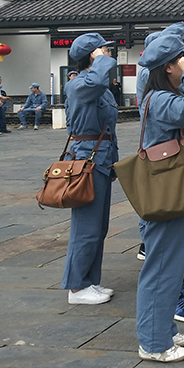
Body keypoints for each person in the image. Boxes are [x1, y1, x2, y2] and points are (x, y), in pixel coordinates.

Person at [135, 34, 184, 363]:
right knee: (162, 267)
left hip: (175, 190)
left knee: (172, 264)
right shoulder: (161, 99)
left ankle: (161, 328)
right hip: (167, 194)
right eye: (182, 59)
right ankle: (153, 342)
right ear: (169, 67)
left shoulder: (166, 95)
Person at [61, 33, 119, 308]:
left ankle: (89, 279)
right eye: (103, 50)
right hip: (87, 160)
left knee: (99, 226)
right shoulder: (80, 84)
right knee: (86, 227)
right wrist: (99, 61)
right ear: (92, 56)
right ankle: (76, 286)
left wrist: (114, 162)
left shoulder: (98, 86)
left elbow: (109, 130)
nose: (109, 53)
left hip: (101, 159)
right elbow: (95, 80)